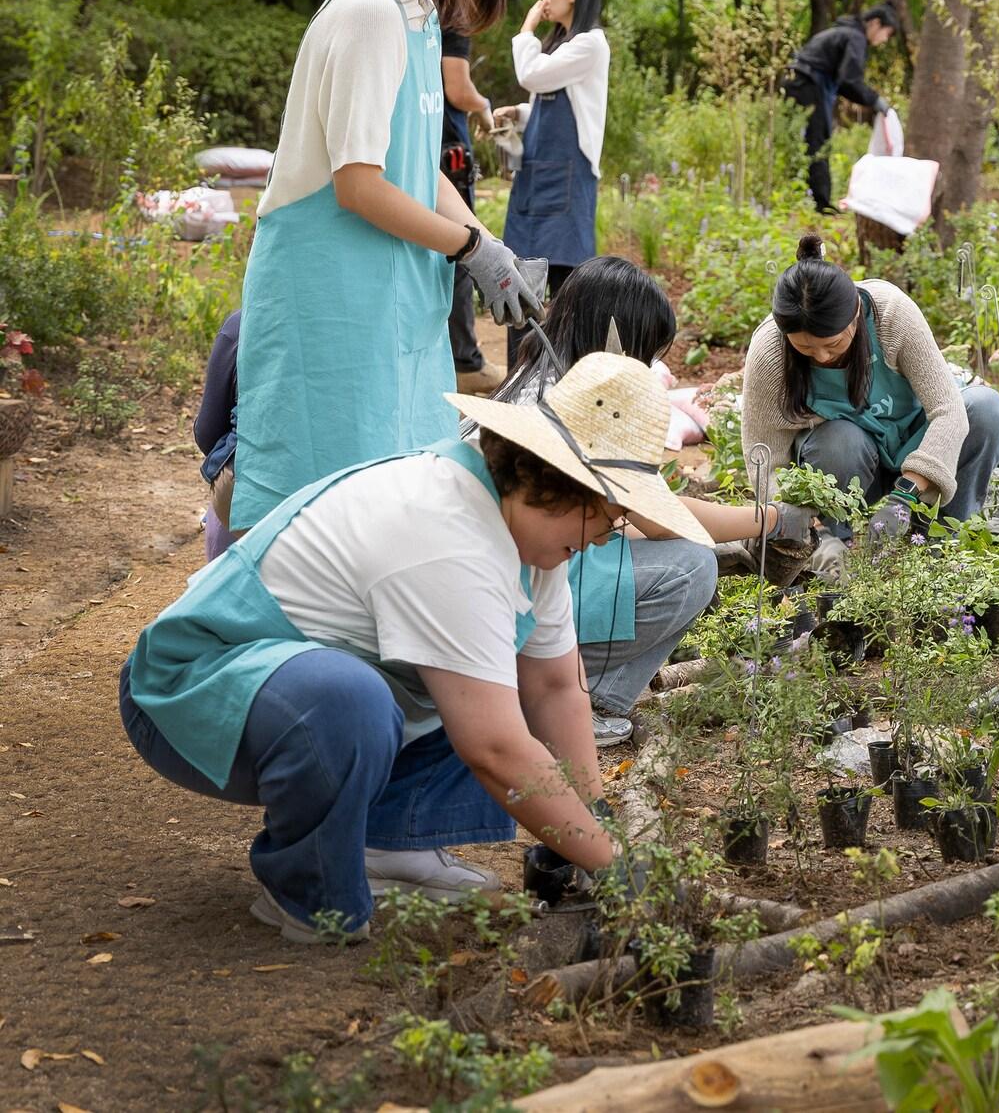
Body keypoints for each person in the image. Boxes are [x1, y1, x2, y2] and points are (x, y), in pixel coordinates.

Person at [119, 352, 708, 942]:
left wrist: (593, 825)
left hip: (291, 686)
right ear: (558, 486)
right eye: (607, 516)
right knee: (358, 701)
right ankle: (307, 890)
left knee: (481, 681)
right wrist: (614, 865)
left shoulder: (528, 538)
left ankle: (388, 844)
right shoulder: (448, 533)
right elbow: (495, 748)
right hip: (190, 690)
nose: (607, 538)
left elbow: (554, 688)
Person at [229, 0, 544, 532]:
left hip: (390, 295)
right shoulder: (370, 12)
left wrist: (487, 242)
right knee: (316, 503)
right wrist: (469, 249)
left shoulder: (420, 14)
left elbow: (415, 165)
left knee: (385, 493)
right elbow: (359, 185)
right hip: (332, 295)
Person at [497, 256, 815, 745]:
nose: (647, 368)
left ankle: (568, 692)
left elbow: (626, 517)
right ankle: (580, 698)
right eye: (644, 352)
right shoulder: (588, 402)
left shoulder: (534, 378)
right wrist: (773, 518)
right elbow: (662, 519)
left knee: (658, 552)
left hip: (498, 589)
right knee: (690, 568)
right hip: (519, 602)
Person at [741, 236, 999, 580]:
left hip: (916, 449)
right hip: (847, 464)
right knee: (840, 439)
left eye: (832, 344)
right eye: (806, 348)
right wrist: (793, 520)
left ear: (855, 314)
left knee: (986, 409)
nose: (821, 356)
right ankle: (829, 543)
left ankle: (942, 545)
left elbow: (948, 410)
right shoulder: (770, 351)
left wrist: (905, 497)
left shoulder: (891, 313)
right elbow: (764, 456)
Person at [498, 0, 610, 368]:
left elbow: (531, 75)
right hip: (536, 178)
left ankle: (560, 378)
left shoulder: (590, 44)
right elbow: (552, 106)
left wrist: (526, 30)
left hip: (567, 179)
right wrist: (518, 113)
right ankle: (518, 378)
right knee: (521, 281)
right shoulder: (564, 46)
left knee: (565, 287)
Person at [781, 3, 897, 214]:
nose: (885, 40)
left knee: (798, 141)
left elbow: (844, 83)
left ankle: (797, 196)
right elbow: (850, 80)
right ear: (875, 23)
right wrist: (875, 100)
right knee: (818, 142)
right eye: (886, 33)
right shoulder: (855, 38)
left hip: (795, 82)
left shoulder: (842, 32)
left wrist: (870, 100)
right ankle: (820, 205)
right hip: (810, 85)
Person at [440, 27, 504, 395]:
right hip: (449, 153)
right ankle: (465, 361)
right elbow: (458, 89)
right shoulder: (454, 15)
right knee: (461, 254)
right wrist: (483, 106)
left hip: (424, 148)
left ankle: (451, 358)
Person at [193, 309, 241, 564]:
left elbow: (207, 431)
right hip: (345, 488)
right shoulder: (357, 323)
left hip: (246, 492)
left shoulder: (242, 324)